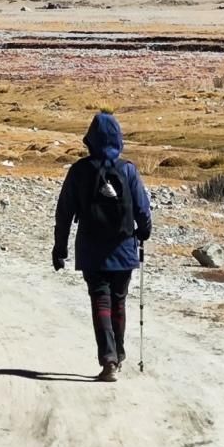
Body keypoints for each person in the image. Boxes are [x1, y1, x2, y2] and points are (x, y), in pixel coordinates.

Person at [53, 112, 151, 382]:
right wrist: (144, 232)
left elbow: (64, 213)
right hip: (124, 247)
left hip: (91, 248)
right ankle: (117, 355)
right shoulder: (128, 170)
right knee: (118, 300)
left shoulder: (79, 171)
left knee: (101, 301)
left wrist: (59, 248)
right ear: (118, 139)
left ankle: (108, 358)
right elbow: (142, 210)